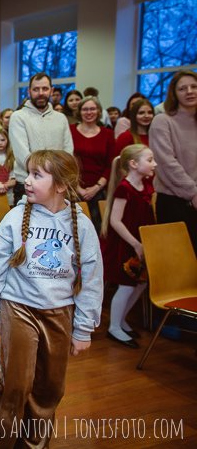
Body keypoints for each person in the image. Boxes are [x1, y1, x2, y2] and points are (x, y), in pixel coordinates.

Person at [0, 150, 103, 449]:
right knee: (14, 384)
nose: (28, 181)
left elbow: (91, 278)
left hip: (60, 312)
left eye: (37, 175)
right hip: (17, 307)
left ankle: (34, 444)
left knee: (50, 388)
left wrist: (83, 328)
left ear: (60, 185)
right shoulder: (14, 217)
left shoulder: (81, 224)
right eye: (29, 173)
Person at [100, 145, 156, 349]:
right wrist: (135, 243)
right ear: (133, 164)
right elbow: (115, 221)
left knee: (141, 284)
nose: (154, 164)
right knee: (126, 285)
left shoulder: (146, 185)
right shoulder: (124, 188)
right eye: (150, 160)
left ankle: (122, 319)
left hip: (140, 243)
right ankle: (114, 327)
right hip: (125, 245)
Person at [149, 71, 197, 248]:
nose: (189, 91)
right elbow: (165, 163)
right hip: (174, 203)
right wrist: (193, 193)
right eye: (182, 88)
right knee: (179, 262)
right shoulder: (162, 121)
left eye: (194, 87)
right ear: (174, 94)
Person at [9, 72, 74, 204]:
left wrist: (55, 176)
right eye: (36, 89)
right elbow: (23, 156)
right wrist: (45, 176)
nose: (40, 93)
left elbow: (68, 152)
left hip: (57, 184)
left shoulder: (61, 118)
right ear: (29, 91)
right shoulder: (18, 117)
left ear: (51, 91)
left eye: (45, 89)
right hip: (28, 184)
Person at [70, 96, 114, 231]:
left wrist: (96, 188)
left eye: (92, 109)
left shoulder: (108, 134)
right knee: (74, 230)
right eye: (85, 109)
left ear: (99, 111)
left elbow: (110, 165)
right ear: (79, 111)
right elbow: (66, 161)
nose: (89, 112)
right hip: (73, 189)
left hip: (99, 191)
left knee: (97, 230)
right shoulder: (70, 130)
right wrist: (78, 188)